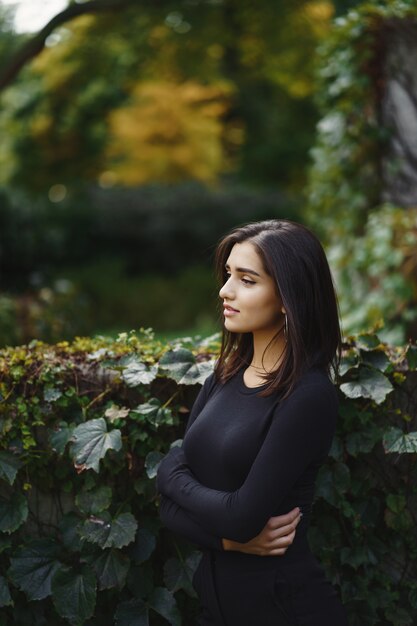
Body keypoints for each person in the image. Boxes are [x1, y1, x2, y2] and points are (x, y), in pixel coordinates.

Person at [157, 219, 348, 626]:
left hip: (283, 610)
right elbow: (168, 510)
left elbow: (241, 516)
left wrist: (172, 476)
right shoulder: (223, 376)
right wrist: (228, 540)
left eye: (247, 280)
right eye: (228, 275)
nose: (225, 291)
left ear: (287, 297)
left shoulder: (307, 396)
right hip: (215, 611)